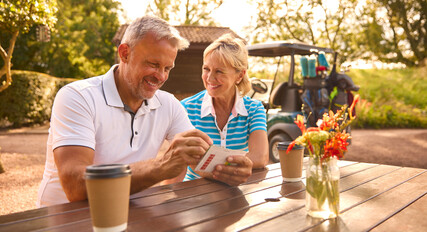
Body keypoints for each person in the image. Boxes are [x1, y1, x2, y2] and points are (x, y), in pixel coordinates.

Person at [36, 16, 217, 207]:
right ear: (124, 53)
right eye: (153, 64)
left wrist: (228, 167)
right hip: (68, 222)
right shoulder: (77, 97)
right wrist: (161, 167)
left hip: (131, 213)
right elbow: (76, 187)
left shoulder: (169, 104)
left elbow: (198, 158)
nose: (161, 76)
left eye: (167, 68)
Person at [179, 34, 269, 185]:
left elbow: (260, 156)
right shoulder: (186, 108)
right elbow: (192, 161)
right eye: (206, 69)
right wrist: (233, 168)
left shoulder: (254, 109)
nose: (209, 78)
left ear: (240, 75)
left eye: (219, 71)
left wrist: (215, 167)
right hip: (194, 194)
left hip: (237, 192)